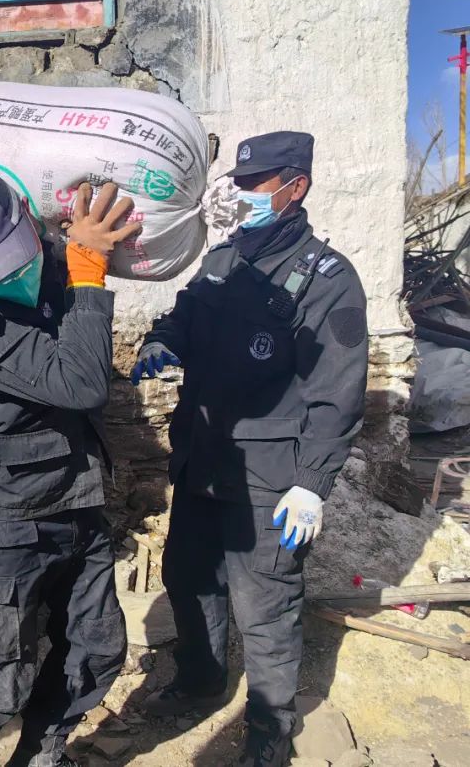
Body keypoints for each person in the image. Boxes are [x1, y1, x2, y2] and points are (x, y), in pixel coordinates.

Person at [131, 132, 368, 767]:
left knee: (265, 607)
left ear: (296, 187)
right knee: (189, 579)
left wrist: (312, 483)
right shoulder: (223, 259)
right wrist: (162, 339)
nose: (241, 195)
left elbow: (338, 393)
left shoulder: (327, 279)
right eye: (237, 183)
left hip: (268, 478)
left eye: (255, 184)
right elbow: (184, 315)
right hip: (203, 461)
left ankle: (269, 732)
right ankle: (201, 681)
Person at [0, 167, 139, 767]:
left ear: (27, 217)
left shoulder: (46, 255)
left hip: (75, 498)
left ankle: (41, 757)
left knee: (96, 649)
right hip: (3, 521)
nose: (14, 274)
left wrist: (82, 245)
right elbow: (80, 381)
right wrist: (88, 275)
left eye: (17, 255)